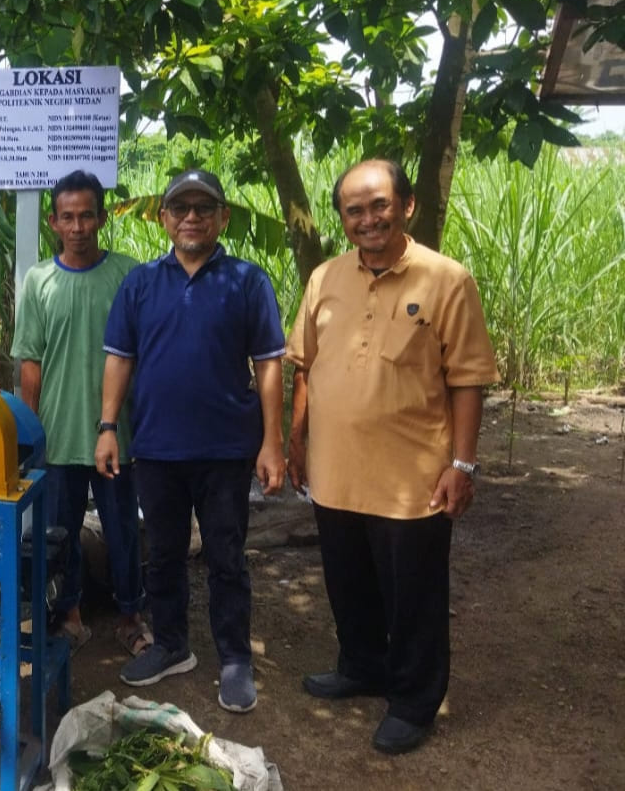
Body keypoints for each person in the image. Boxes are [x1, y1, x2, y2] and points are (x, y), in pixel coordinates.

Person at [285, 159, 499, 754]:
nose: (367, 219)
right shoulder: (325, 278)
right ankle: (361, 666)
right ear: (344, 219)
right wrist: (297, 438)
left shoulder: (446, 280)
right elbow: (304, 364)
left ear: (406, 206)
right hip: (335, 472)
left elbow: (468, 380)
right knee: (347, 581)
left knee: (414, 595)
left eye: (379, 205)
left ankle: (413, 699)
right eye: (354, 210)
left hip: (413, 481)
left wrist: (463, 465)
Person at [95, 169, 286, 713]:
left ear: (223, 218)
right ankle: (173, 645)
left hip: (226, 449)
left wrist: (272, 441)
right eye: (181, 208)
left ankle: (234, 658)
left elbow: (269, 364)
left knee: (227, 555)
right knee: (165, 556)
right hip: (156, 447)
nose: (192, 218)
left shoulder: (247, 281)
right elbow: (119, 358)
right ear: (164, 220)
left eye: (205, 208)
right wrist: (108, 428)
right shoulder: (140, 284)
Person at [11, 170, 148, 658]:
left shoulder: (130, 275)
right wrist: (28, 435)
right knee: (59, 533)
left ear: (101, 218)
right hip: (58, 435)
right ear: (53, 222)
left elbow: (144, 355)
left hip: (118, 436)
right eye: (67, 217)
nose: (77, 226)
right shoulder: (40, 281)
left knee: (123, 532)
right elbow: (30, 361)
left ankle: (131, 614)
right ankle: (68, 612)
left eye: (86, 215)